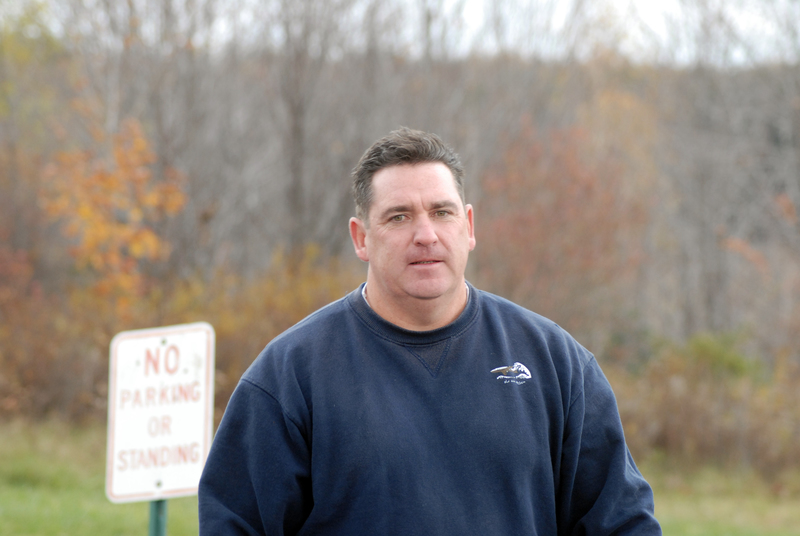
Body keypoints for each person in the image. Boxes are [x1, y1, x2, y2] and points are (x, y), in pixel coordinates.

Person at [198, 127, 662, 535]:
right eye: (398, 216)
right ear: (361, 237)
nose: (426, 235)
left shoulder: (554, 363)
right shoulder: (290, 377)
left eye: (442, 212)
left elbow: (622, 523)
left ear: (469, 226)